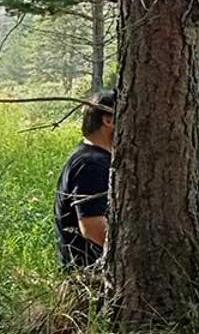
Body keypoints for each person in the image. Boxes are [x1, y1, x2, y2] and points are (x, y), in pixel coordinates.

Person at [54, 90, 115, 269]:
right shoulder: (91, 164)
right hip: (90, 273)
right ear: (108, 120)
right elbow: (92, 227)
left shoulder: (89, 157)